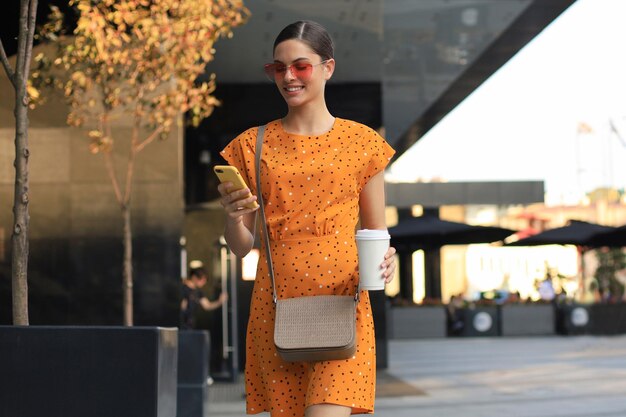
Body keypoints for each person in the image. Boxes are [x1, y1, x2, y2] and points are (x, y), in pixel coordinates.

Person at [217, 20, 396, 417]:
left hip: (343, 305)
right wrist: (232, 218)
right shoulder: (251, 145)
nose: (288, 77)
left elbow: (376, 231)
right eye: (278, 68)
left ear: (327, 67)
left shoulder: (362, 142)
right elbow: (242, 246)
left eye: (300, 66)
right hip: (276, 308)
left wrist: (389, 258)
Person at [180, 264, 228, 330]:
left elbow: (207, 306)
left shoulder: (198, 292)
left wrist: (219, 302)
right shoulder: (183, 288)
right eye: (202, 280)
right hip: (181, 324)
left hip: (190, 325)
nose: (204, 282)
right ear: (194, 277)